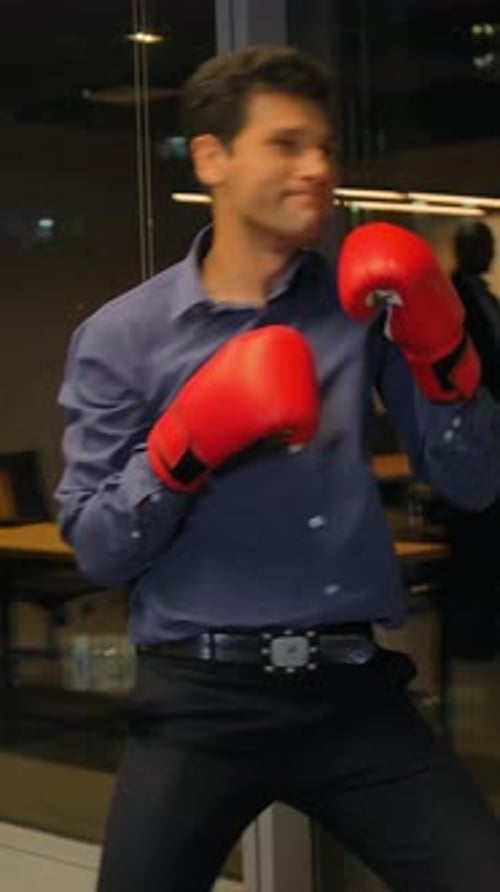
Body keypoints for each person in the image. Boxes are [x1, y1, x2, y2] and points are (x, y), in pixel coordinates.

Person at [55, 45, 500, 892]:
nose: (318, 168)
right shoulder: (124, 336)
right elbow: (100, 549)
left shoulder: (362, 309)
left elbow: (475, 482)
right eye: (288, 145)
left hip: (353, 696)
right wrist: (184, 446)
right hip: (199, 700)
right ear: (212, 159)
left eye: (326, 148)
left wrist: (447, 361)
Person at [444, 221, 500, 658]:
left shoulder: (488, 298)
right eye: (481, 245)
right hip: (467, 436)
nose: (489, 252)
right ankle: (469, 635)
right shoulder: (450, 300)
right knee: (472, 543)